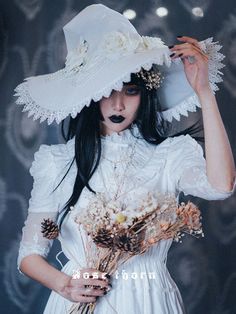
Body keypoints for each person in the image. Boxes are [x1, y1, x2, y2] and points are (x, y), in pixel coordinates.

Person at [15, 4, 235, 314]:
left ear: (145, 94)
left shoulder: (169, 155)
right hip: (78, 302)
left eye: (131, 90)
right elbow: (29, 255)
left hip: (151, 300)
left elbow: (222, 185)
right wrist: (65, 284)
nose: (118, 103)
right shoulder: (57, 162)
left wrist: (204, 93)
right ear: (90, 95)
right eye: (108, 90)